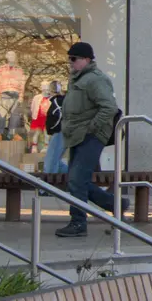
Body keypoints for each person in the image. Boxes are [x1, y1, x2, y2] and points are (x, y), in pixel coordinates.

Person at [55, 42, 118, 237]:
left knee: (76, 180)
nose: (71, 63)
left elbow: (109, 107)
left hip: (90, 136)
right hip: (76, 136)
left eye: (74, 59)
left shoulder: (95, 80)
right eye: (69, 59)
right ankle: (115, 204)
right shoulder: (76, 79)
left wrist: (92, 128)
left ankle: (78, 223)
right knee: (76, 180)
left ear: (86, 60)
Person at [36, 81, 66, 175]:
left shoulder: (57, 101)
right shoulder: (59, 100)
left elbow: (58, 115)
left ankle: (47, 187)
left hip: (59, 131)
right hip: (62, 131)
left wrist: (52, 128)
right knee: (55, 162)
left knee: (51, 162)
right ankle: (74, 177)